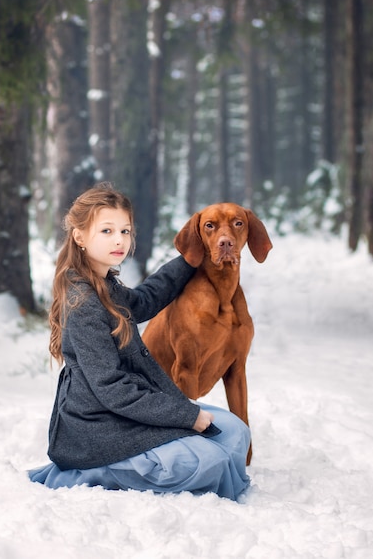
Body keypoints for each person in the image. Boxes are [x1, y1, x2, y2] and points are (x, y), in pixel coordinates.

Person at [29, 182, 250, 501]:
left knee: (235, 432)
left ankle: (154, 457)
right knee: (213, 462)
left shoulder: (105, 287)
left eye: (125, 231)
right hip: (98, 430)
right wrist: (187, 416)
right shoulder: (84, 303)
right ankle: (87, 471)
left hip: (126, 413)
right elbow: (111, 388)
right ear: (79, 236)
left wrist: (189, 259)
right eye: (106, 231)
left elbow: (145, 299)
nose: (119, 240)